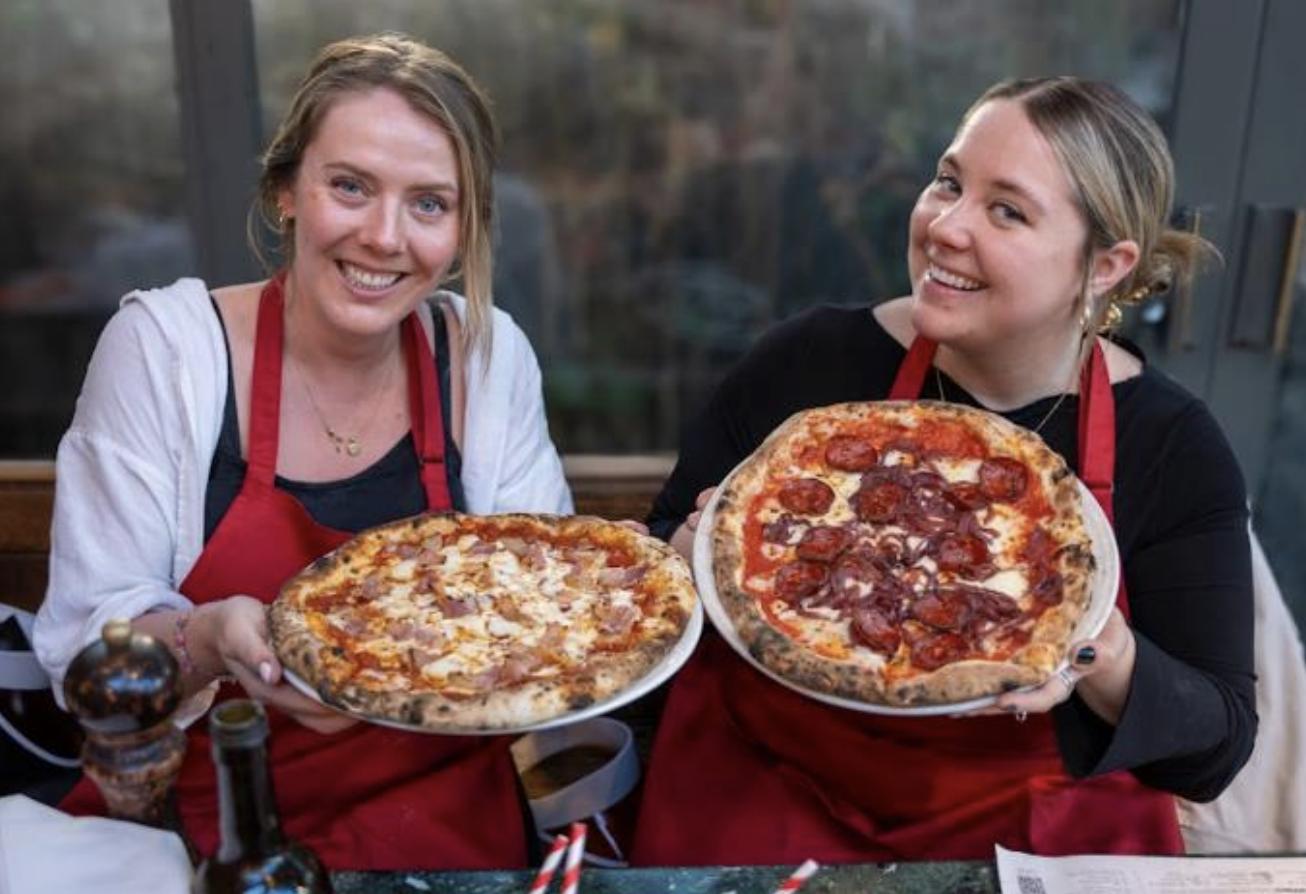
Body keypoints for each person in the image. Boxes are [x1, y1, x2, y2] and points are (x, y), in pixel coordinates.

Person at [632, 76, 1257, 864]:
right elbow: (661, 569)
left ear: (1106, 264)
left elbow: (1215, 749)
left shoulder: (1171, 444)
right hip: (770, 788)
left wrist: (1095, 648)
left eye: (1007, 210)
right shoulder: (808, 361)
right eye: (948, 182)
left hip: (1020, 829)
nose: (945, 226)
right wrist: (687, 555)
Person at [34, 33, 571, 871]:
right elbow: (84, 650)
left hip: (453, 826)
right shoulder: (168, 350)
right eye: (350, 186)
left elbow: (553, 620)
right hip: (215, 826)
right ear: (285, 190)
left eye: (430, 204)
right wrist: (210, 637)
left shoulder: (485, 355)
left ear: (464, 228)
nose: (384, 237)